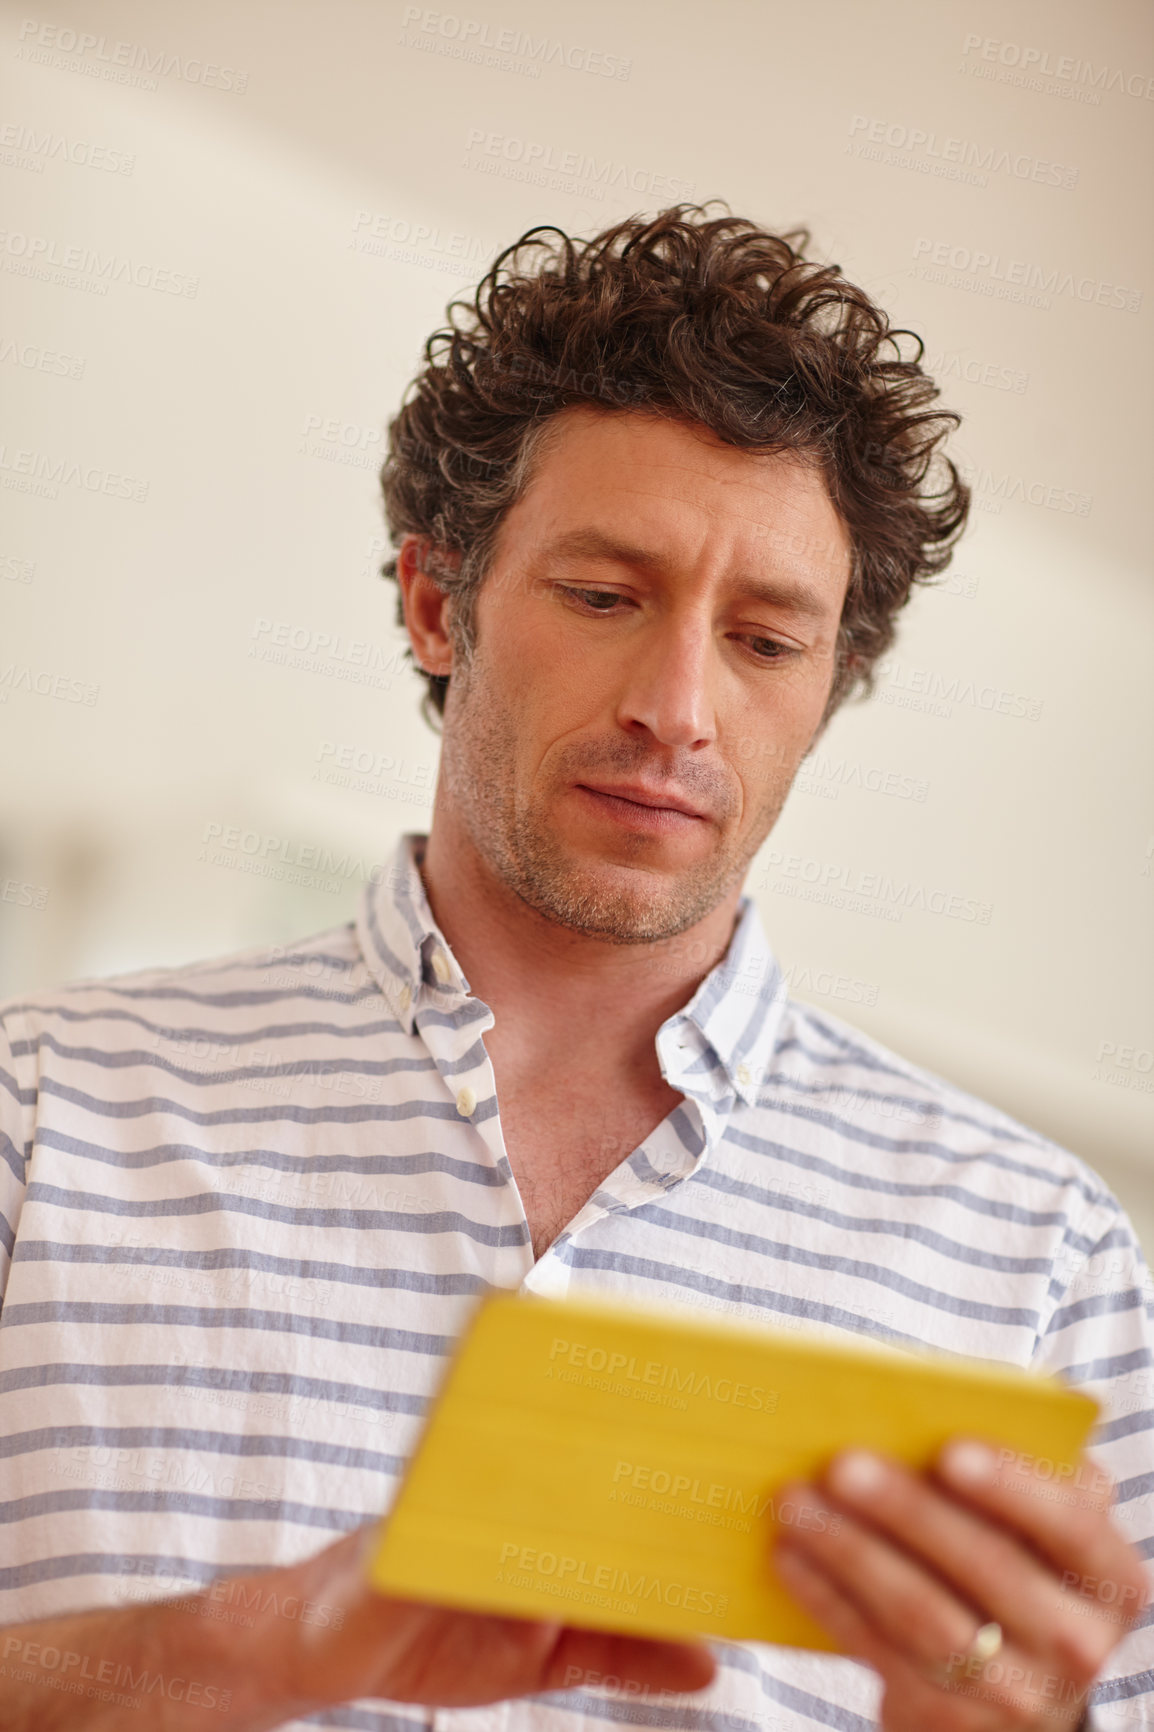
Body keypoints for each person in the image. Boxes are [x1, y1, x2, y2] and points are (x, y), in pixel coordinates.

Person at [0, 205, 1149, 1732]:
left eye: (761, 640)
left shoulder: (1043, 1266)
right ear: (434, 603)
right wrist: (257, 1648)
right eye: (605, 597)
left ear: (828, 689)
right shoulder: (40, 1111)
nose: (676, 707)